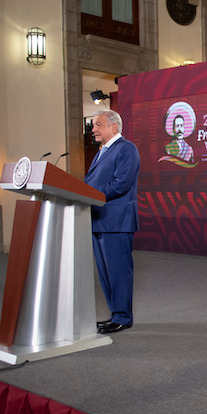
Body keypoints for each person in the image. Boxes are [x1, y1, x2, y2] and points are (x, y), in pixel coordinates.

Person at [85, 109, 141, 334]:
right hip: (99, 219)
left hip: (116, 221)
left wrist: (90, 195)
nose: (94, 129)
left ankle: (123, 317)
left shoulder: (127, 149)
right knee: (106, 273)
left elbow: (121, 184)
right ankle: (114, 314)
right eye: (93, 125)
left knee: (118, 271)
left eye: (98, 125)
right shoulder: (102, 151)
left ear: (113, 127)